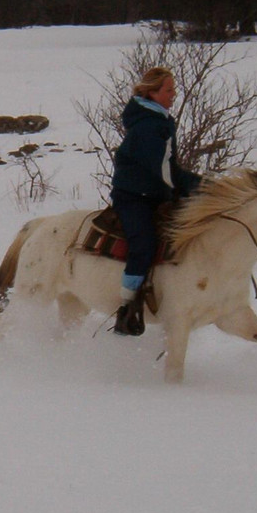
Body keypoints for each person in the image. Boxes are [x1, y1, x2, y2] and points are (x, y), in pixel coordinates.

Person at [110, 67, 201, 336]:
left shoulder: (158, 119)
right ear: (152, 92)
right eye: (169, 90)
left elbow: (168, 168)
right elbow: (163, 171)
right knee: (144, 244)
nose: (174, 94)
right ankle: (127, 309)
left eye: (174, 89)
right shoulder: (149, 125)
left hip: (156, 194)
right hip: (134, 198)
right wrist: (196, 186)